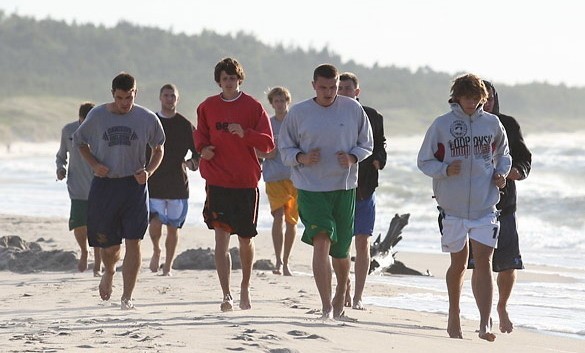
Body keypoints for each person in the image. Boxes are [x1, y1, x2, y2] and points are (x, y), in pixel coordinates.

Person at [417, 73, 511, 341]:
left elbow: (503, 154)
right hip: (452, 207)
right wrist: (445, 169)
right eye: (467, 98)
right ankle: (454, 312)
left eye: (476, 98)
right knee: (458, 263)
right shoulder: (442, 125)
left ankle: (484, 323)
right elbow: (424, 161)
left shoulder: (492, 124)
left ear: (483, 99)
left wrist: (501, 174)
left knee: (484, 262)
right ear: (457, 97)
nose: (471, 103)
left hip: (485, 205)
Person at [279, 64, 373, 320]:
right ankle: (325, 306)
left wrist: (353, 157)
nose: (329, 92)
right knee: (321, 241)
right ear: (313, 85)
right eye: (323, 87)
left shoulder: (352, 108)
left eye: (333, 87)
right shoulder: (299, 112)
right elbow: (284, 149)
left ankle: (342, 289)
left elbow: (367, 143)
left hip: (343, 187)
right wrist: (302, 157)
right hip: (310, 187)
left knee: (341, 252)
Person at [73, 72, 165, 310]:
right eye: (121, 97)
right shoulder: (98, 115)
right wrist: (94, 164)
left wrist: (149, 172)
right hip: (105, 185)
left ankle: (127, 297)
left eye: (130, 97)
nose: (125, 103)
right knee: (110, 245)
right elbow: (80, 142)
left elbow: (159, 148)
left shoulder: (147, 118)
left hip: (134, 186)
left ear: (136, 93)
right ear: (112, 94)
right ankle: (110, 271)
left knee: (134, 240)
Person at [194, 57, 274, 312]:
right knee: (221, 238)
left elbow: (268, 144)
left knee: (245, 239)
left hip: (245, 181)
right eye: (224, 78)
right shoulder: (207, 107)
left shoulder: (253, 106)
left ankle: (245, 287)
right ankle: (226, 293)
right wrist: (202, 150)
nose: (229, 82)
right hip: (218, 180)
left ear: (240, 79)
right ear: (218, 81)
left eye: (233, 78)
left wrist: (246, 134)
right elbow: (200, 137)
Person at [467, 80, 532, 334]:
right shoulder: (464, 126)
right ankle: (483, 314)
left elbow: (525, 159)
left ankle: (502, 306)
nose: (488, 103)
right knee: (478, 263)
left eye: (491, 98)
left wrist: (515, 172)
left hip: (505, 205)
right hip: (473, 205)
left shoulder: (508, 124)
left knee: (507, 263)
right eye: (483, 99)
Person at [338, 72, 387, 310]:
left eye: (348, 88)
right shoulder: (330, 113)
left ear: (357, 91)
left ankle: (358, 296)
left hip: (366, 187)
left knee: (363, 242)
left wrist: (379, 159)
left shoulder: (373, 116)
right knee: (341, 243)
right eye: (340, 88)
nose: (344, 92)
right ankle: (343, 286)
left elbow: (380, 145)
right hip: (338, 186)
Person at [147, 83, 199, 276]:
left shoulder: (185, 125)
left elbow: (198, 151)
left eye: (173, 96)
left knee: (173, 226)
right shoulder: (151, 121)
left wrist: (191, 163)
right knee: (155, 221)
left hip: (178, 182)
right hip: (154, 180)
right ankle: (156, 250)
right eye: (166, 95)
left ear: (178, 99)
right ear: (160, 98)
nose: (169, 99)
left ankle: (168, 266)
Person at [56, 101, 103, 276]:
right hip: (76, 187)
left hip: (99, 186)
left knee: (98, 226)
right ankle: (84, 250)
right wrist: (60, 169)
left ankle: (98, 264)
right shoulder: (68, 131)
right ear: (79, 118)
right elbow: (61, 156)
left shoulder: (100, 131)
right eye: (84, 121)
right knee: (79, 225)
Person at [256, 86, 298, 276]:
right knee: (278, 216)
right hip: (273, 175)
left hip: (295, 175)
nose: (280, 104)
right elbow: (255, 149)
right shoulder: (267, 124)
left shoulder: (296, 121)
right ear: (272, 104)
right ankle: (279, 262)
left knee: (291, 221)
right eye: (276, 101)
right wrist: (267, 154)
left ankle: (287, 261)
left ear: (287, 101)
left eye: (283, 101)